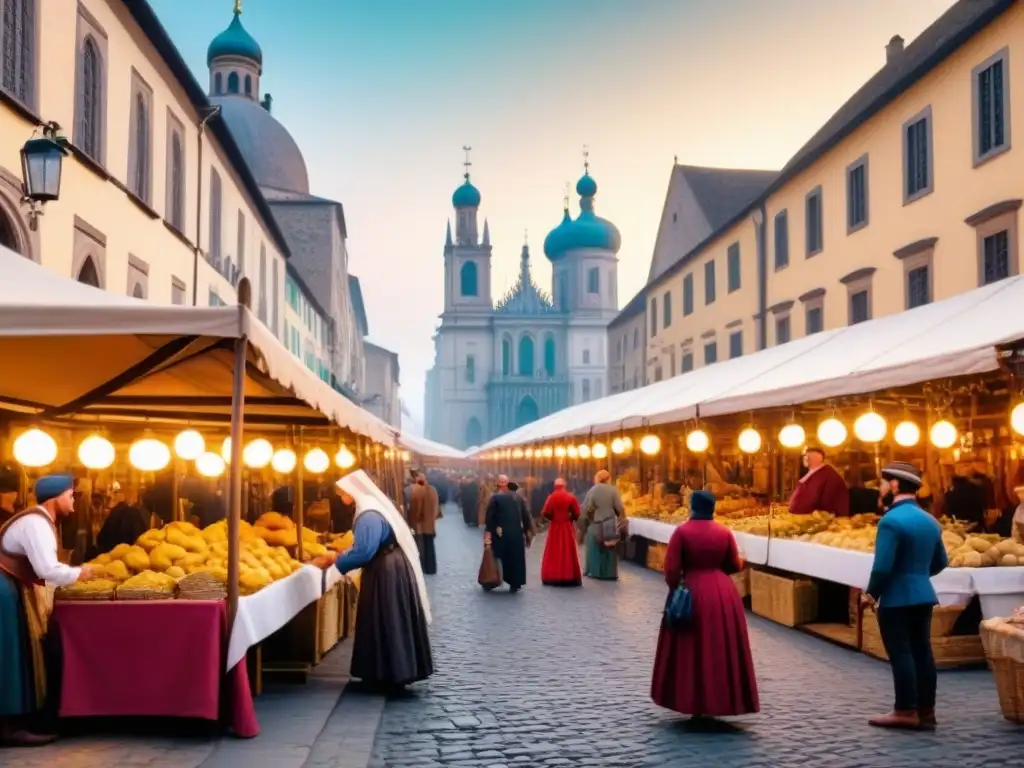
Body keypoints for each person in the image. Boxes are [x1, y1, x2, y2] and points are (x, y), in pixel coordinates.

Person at [1, 475, 97, 746]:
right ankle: (8, 727)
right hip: (3, 591)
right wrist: (81, 573)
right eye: (70, 496)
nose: (74, 503)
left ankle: (16, 722)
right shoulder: (36, 523)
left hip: (9, 588)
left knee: (15, 653)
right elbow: (47, 570)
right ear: (55, 497)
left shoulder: (41, 521)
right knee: (10, 654)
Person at [651, 490, 759, 719]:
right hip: (722, 594)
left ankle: (692, 699)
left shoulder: (682, 532)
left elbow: (671, 569)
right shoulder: (724, 532)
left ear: (692, 507)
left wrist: (674, 590)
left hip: (692, 590)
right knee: (720, 647)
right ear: (713, 508)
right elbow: (733, 564)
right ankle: (721, 700)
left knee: (692, 647)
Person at [861, 461, 947, 730]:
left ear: (895, 485)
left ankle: (905, 710)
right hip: (923, 595)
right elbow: (941, 561)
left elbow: (883, 566)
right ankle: (926, 710)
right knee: (923, 651)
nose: (881, 488)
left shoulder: (890, 521)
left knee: (901, 653)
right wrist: (918, 576)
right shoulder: (930, 520)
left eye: (883, 483)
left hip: (897, 597)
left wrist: (871, 593)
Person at [335, 470, 433, 691]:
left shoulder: (368, 514)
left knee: (386, 618)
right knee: (389, 618)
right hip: (391, 566)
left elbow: (365, 551)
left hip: (385, 569)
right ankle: (390, 671)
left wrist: (338, 562)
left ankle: (390, 673)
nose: (341, 498)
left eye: (342, 493)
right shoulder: (372, 507)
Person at [484, 475, 533, 593]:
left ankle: (492, 580)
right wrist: (527, 531)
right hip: (516, 532)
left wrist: (490, 531)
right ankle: (515, 583)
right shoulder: (519, 498)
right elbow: (526, 516)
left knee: (497, 556)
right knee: (515, 559)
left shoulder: (495, 498)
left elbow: (489, 518)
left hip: (500, 533)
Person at [582, 470, 625, 580]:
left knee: (594, 549)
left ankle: (594, 571)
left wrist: (586, 522)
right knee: (609, 549)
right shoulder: (613, 490)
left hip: (595, 523)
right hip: (609, 523)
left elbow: (587, 508)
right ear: (608, 478)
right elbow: (619, 507)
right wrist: (621, 518)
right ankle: (609, 573)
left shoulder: (592, 490)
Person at [540, 478, 582, 587]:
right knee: (568, 550)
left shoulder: (551, 497)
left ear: (555, 485)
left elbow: (545, 512)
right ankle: (569, 575)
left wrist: (552, 517)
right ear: (565, 485)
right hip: (567, 526)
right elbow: (577, 512)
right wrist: (571, 518)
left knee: (554, 551)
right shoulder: (570, 497)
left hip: (555, 526)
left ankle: (553, 575)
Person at [789, 446, 850, 516]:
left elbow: (828, 500)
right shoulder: (814, 472)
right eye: (805, 457)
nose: (806, 459)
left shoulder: (828, 475)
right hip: (802, 517)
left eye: (809, 457)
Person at [409, 473, 440, 576]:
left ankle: (425, 567)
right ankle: (431, 568)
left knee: (423, 546)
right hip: (430, 523)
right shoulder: (433, 490)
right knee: (430, 545)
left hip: (422, 524)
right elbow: (436, 506)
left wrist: (414, 518)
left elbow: (418, 508)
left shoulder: (419, 491)